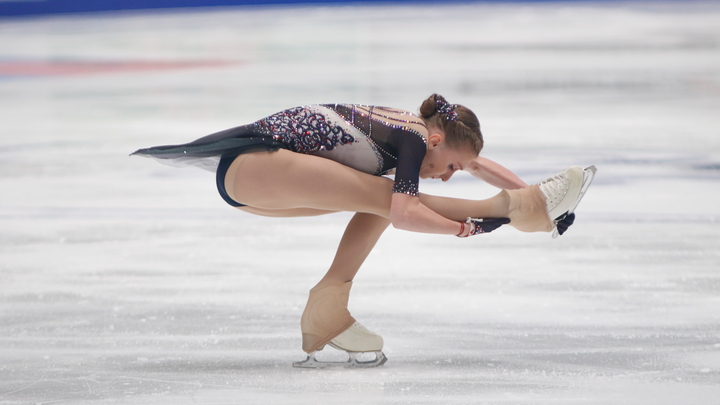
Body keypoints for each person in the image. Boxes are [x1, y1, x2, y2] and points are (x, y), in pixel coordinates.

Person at [131, 94, 594, 368]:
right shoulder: (413, 138)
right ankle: (522, 210)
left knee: (383, 196)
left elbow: (475, 164)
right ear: (435, 141)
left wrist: (531, 192)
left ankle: (327, 308)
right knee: (389, 198)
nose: (450, 174)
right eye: (450, 166)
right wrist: (466, 228)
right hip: (259, 169)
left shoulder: (413, 133)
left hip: (257, 181)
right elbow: (406, 215)